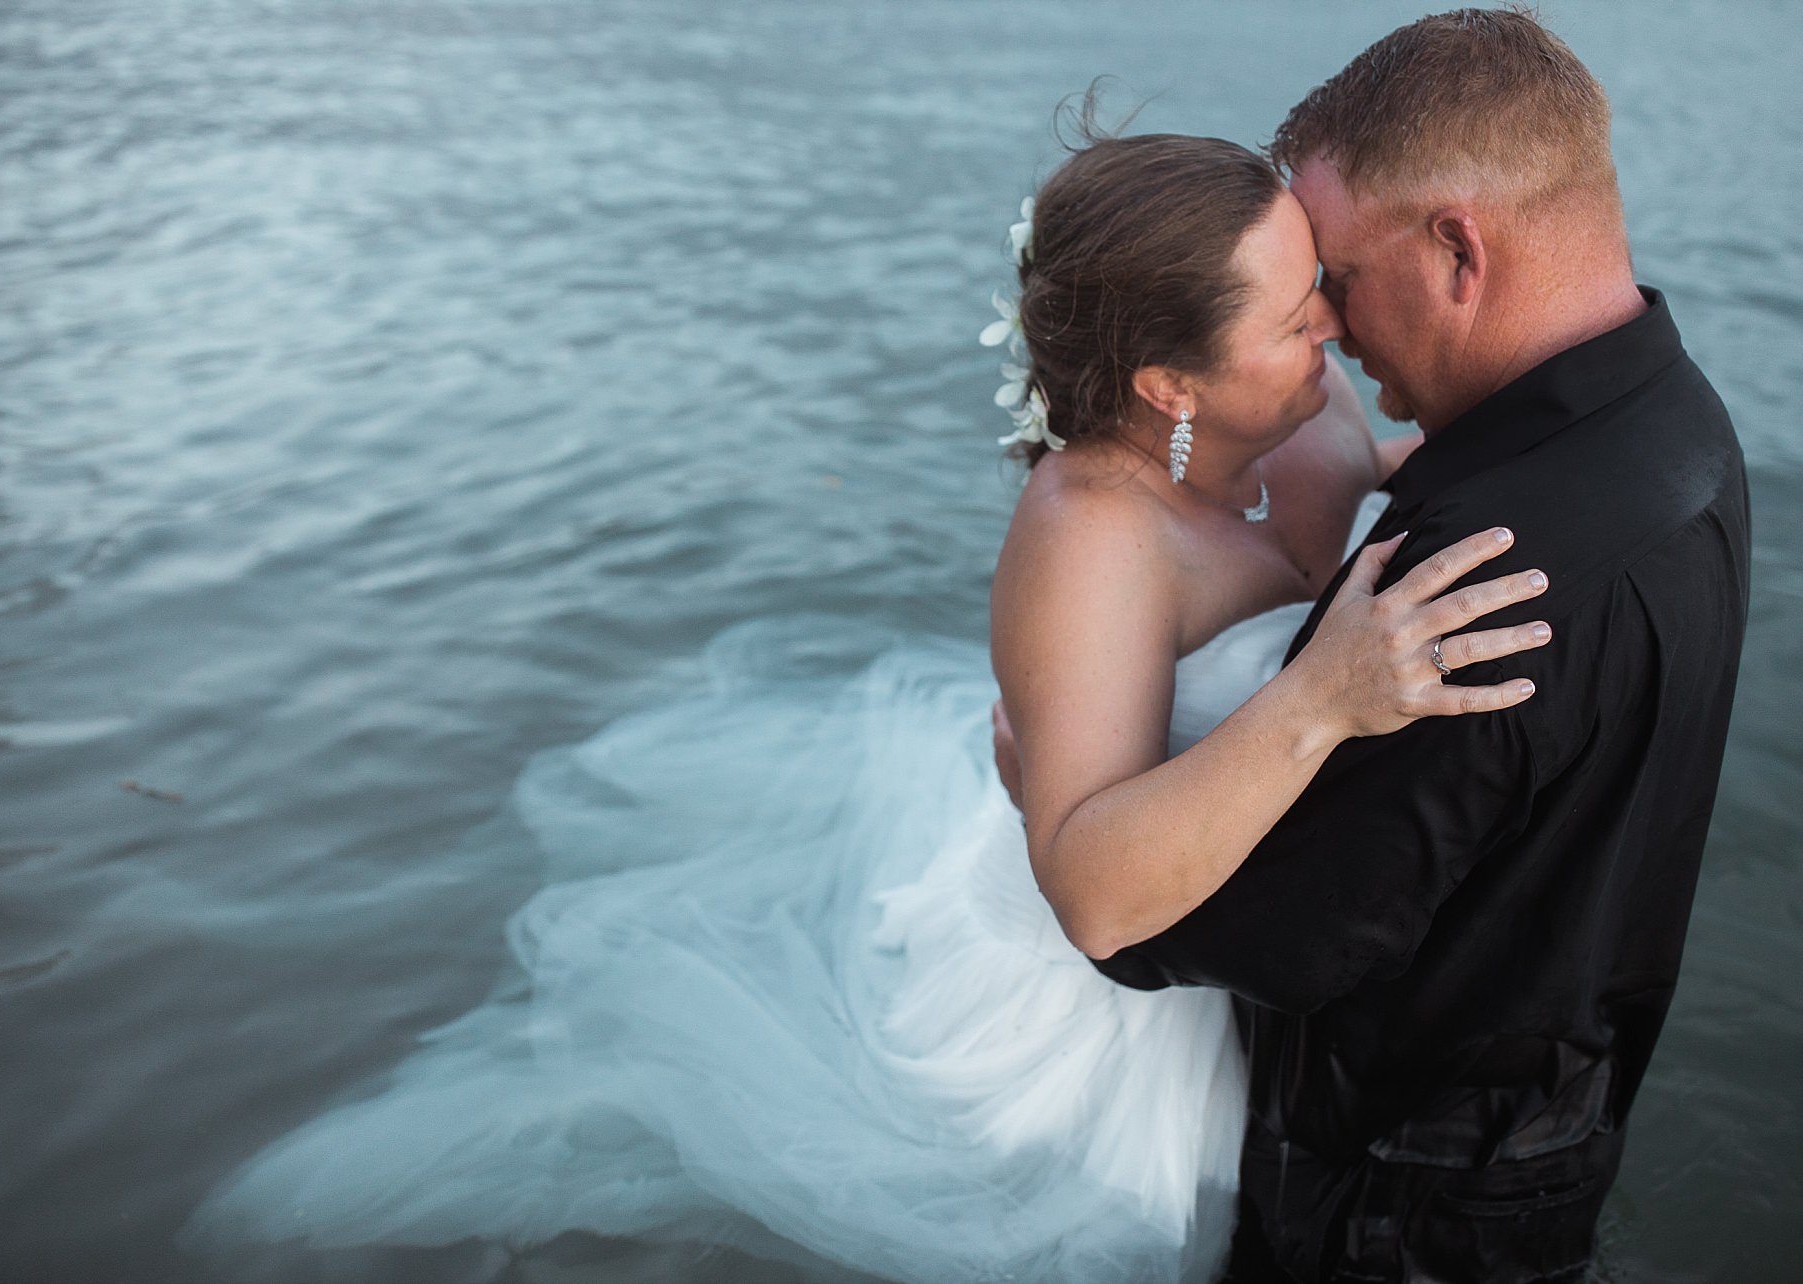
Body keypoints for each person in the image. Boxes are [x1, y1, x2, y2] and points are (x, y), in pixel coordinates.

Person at [180, 130, 1546, 1284]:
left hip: (1259, 916)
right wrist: (1319, 701)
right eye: (1296, 313)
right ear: (1165, 385)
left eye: (1320, 283)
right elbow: (1094, 899)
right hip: (1101, 1008)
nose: (1337, 323)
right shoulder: (1090, 540)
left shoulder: (1306, 418)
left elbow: (1398, 468)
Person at [1068, 11, 1750, 1283]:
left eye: (1339, 273)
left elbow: (1278, 937)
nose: (1327, 321)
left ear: (1457, 252)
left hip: (1400, 1195)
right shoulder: (1672, 416)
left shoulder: (1477, 580)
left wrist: (1065, 838)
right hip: (1565, 1099)